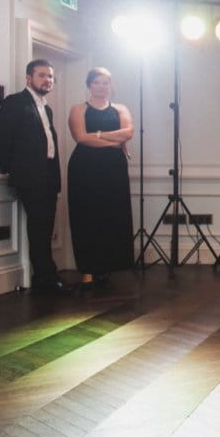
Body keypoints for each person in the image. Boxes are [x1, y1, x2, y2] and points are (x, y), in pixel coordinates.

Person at [0, 59, 67, 295]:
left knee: (45, 227)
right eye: (42, 75)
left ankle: (46, 277)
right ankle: (46, 278)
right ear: (29, 78)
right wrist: (10, 171)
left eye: (51, 77)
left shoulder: (47, 108)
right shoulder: (15, 103)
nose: (48, 80)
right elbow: (2, 139)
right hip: (29, 177)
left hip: (48, 177)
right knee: (38, 227)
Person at [66, 67, 135, 286]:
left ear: (111, 86)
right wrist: (114, 141)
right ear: (89, 85)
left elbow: (128, 133)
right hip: (85, 168)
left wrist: (97, 134)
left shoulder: (120, 109)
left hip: (113, 168)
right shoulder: (78, 109)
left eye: (105, 83)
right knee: (87, 216)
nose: (101, 87)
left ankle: (108, 266)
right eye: (97, 82)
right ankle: (88, 269)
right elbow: (81, 138)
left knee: (112, 214)